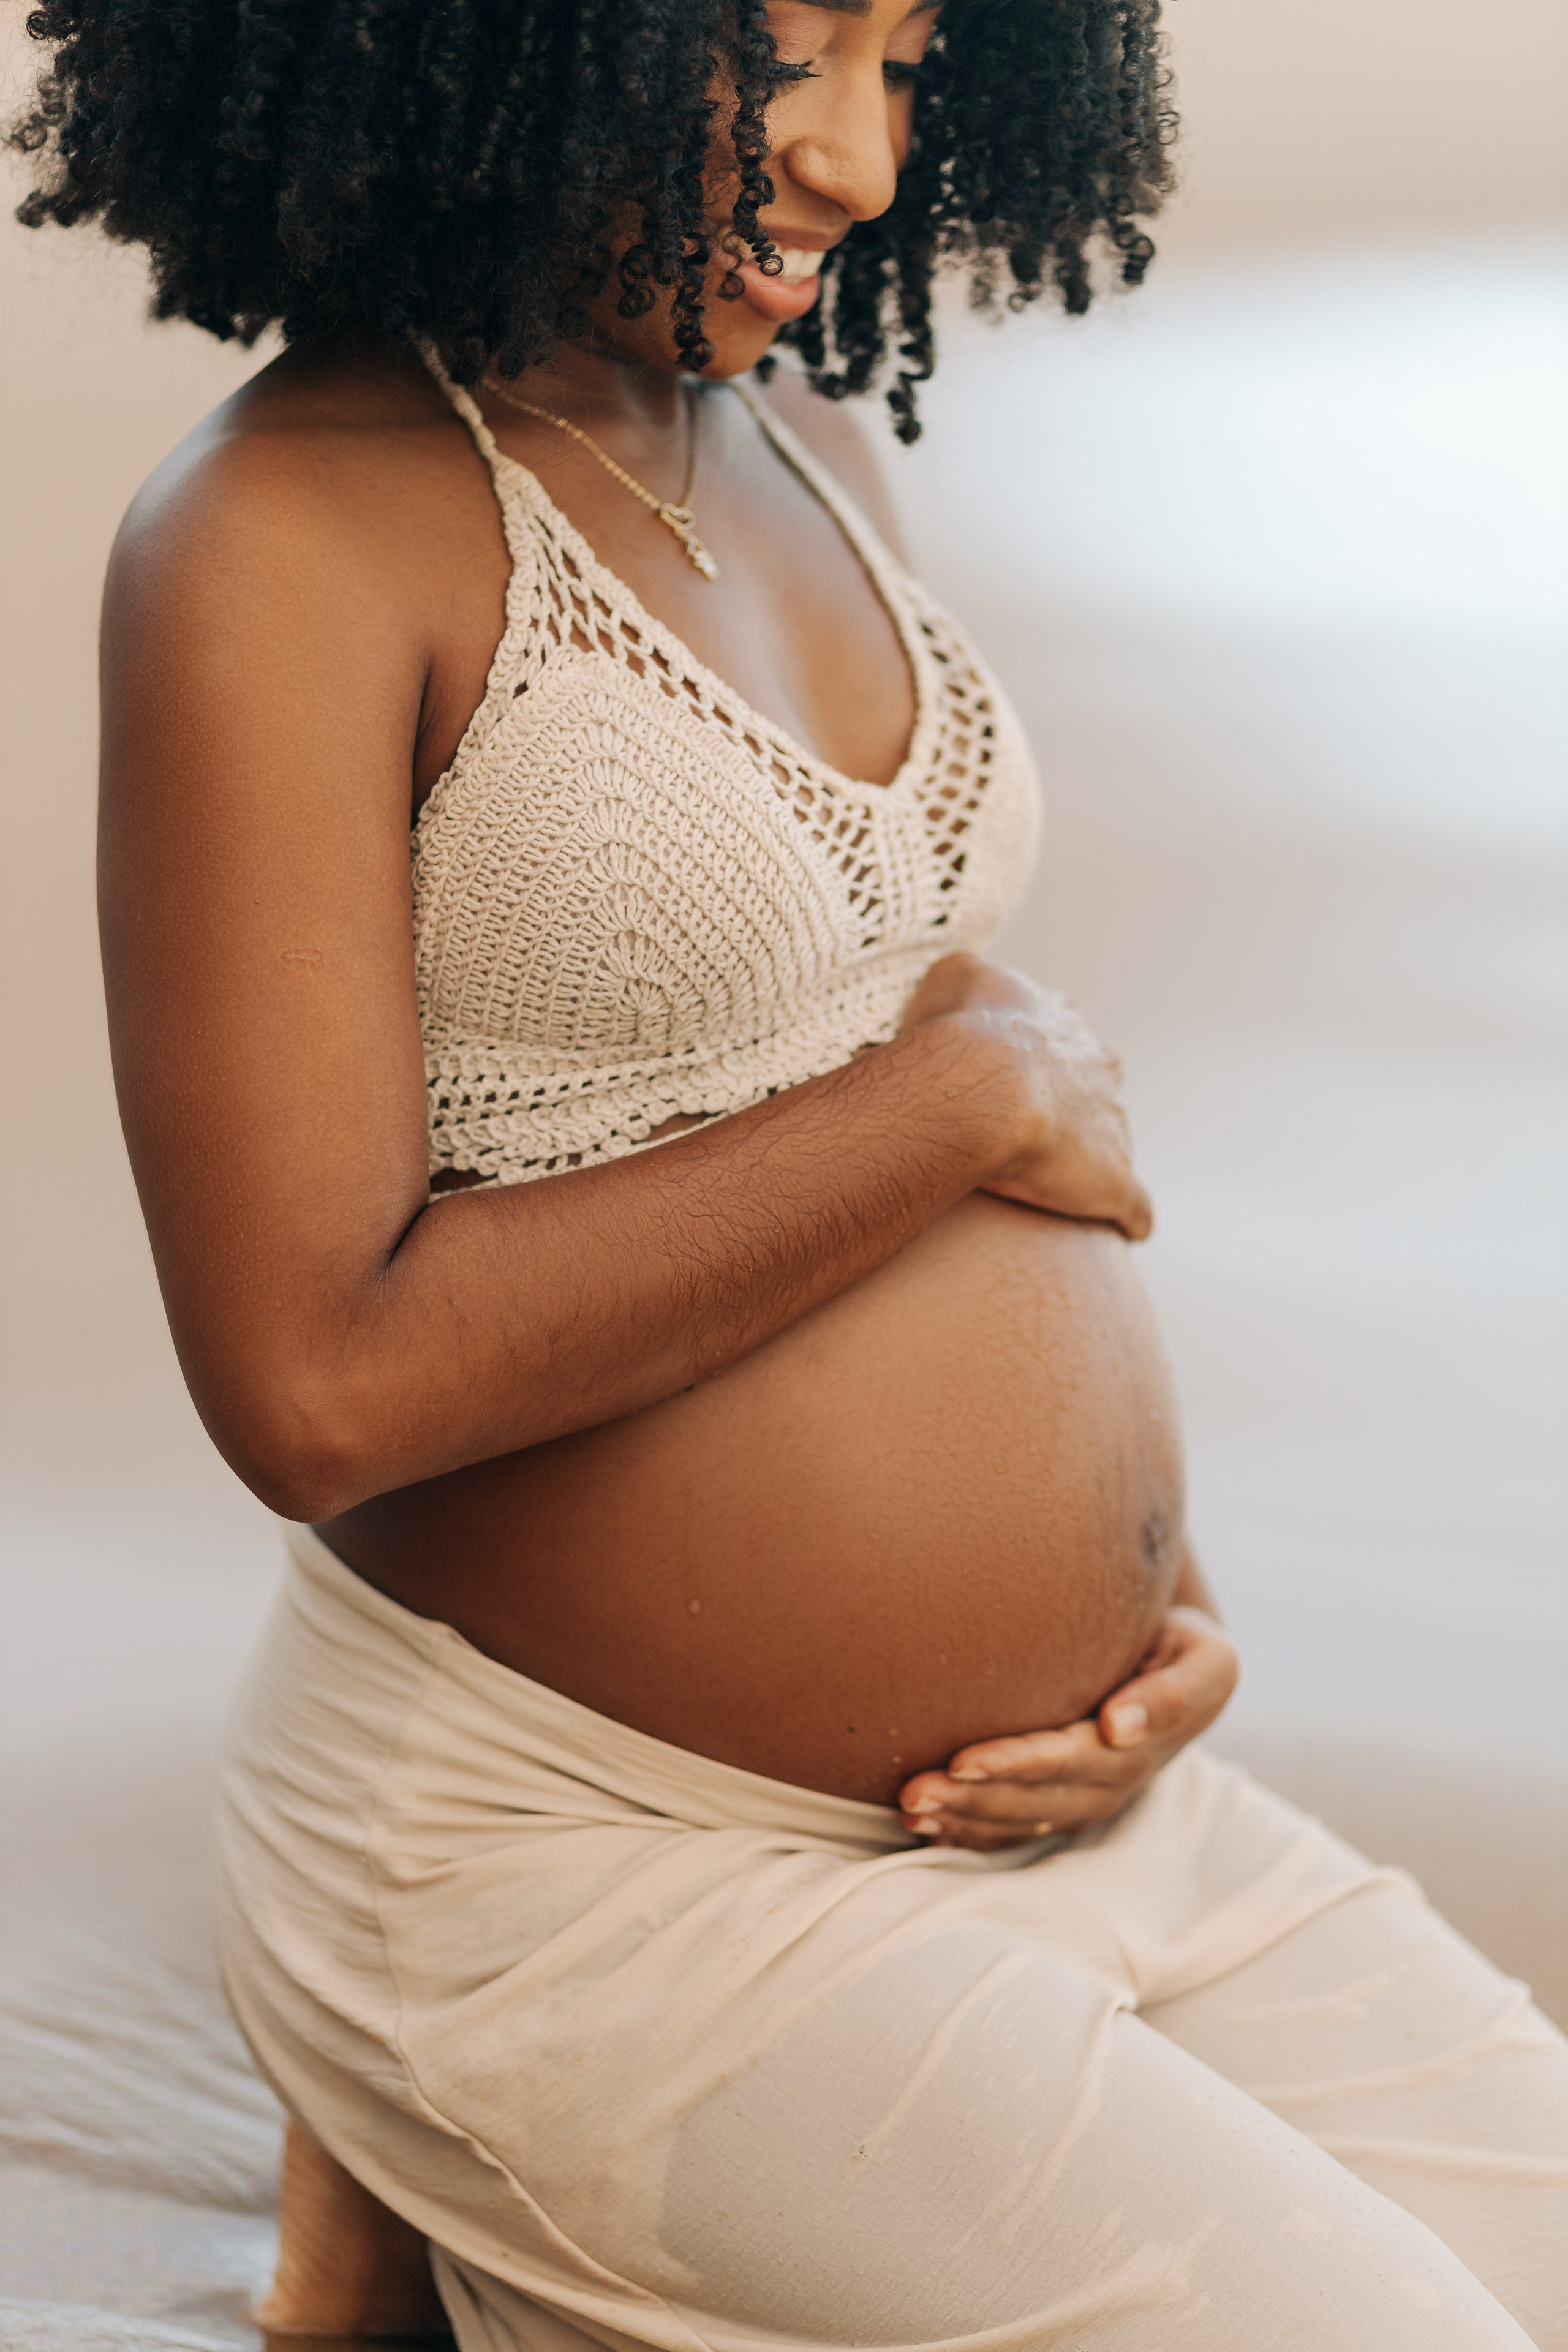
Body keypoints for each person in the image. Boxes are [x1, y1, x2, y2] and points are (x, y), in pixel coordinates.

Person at [13, 1, 1566, 2343]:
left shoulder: (808, 446)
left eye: (912, 64)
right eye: (774, 50)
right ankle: (419, 2125)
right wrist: (961, 1110)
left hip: (1067, 1819)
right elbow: (316, 1386)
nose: (855, 160)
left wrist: (1148, 1600)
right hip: (608, 1871)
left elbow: (854, 1013)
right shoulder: (282, 537)